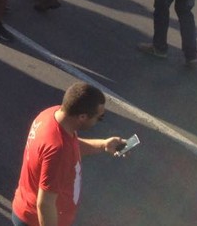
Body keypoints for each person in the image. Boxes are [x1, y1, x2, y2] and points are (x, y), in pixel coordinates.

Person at [11, 83, 126, 226]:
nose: (98, 121)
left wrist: (103, 145)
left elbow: (71, 146)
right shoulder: (58, 150)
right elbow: (45, 204)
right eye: (99, 118)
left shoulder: (52, 115)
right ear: (82, 117)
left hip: (26, 209)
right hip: (34, 220)